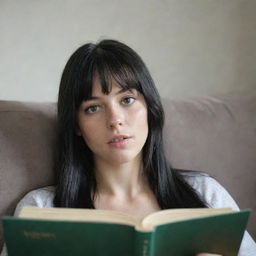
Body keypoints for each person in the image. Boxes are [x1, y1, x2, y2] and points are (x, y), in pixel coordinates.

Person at [1, 39, 255, 256]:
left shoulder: (205, 194)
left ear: (150, 108)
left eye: (127, 100)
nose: (115, 119)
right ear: (76, 124)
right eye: (93, 107)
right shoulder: (41, 209)